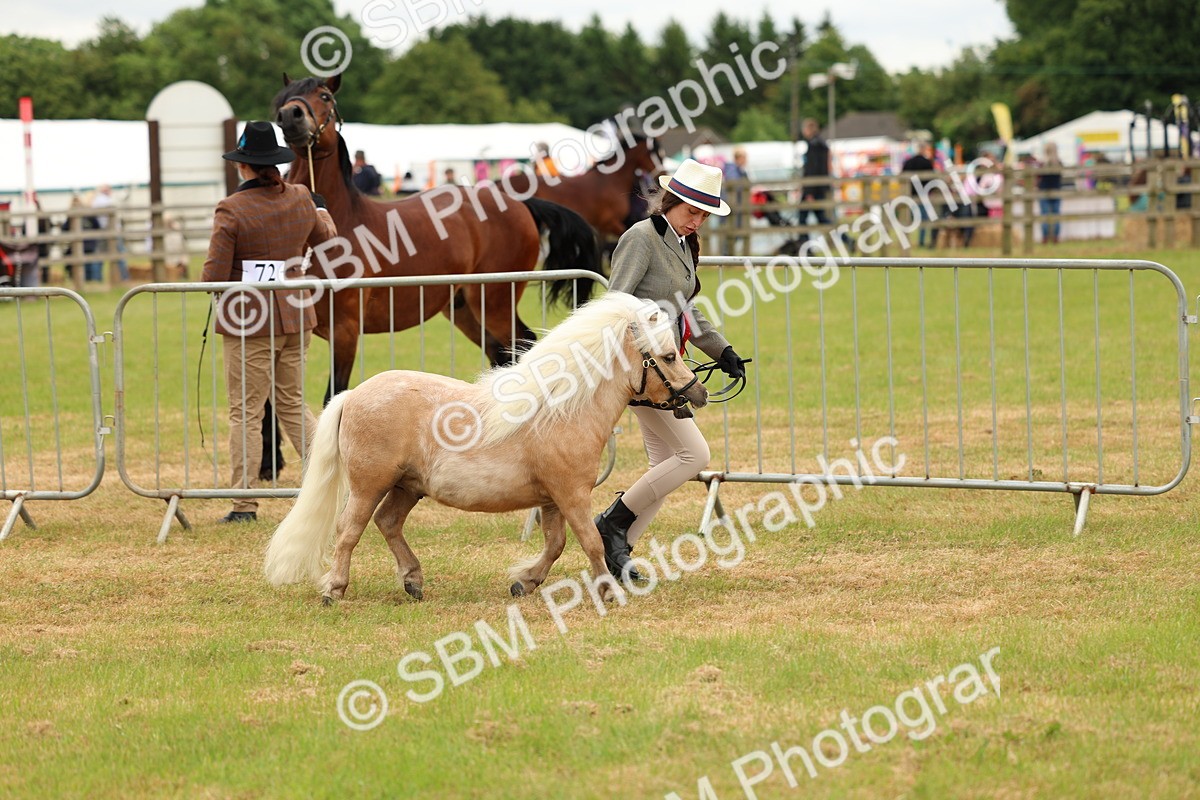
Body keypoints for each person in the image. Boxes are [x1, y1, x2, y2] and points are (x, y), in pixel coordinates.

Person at [596, 158, 748, 580]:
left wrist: (722, 351)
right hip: (645, 372)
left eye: (703, 215)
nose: (697, 221)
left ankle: (615, 560)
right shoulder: (640, 239)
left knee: (664, 466)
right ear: (670, 201)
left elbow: (686, 308)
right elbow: (615, 305)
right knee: (694, 454)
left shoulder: (681, 243)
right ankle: (610, 523)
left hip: (667, 367)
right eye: (692, 212)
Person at [201, 121, 338, 523]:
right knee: (294, 405)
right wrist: (320, 208)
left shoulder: (232, 208)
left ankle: (244, 503)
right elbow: (327, 240)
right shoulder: (299, 198)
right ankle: (333, 483)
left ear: (243, 166)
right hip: (296, 316)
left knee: (246, 411)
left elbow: (213, 277)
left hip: (248, 323)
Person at [901, 143, 936, 247]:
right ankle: (921, 241)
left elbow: (902, 177)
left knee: (907, 218)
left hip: (910, 194)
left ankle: (906, 242)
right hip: (923, 194)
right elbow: (932, 179)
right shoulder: (927, 163)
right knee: (923, 219)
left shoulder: (908, 162)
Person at [801, 118, 832, 226]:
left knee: (803, 217)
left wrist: (809, 192)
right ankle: (845, 239)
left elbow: (812, 170)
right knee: (821, 217)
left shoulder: (814, 145)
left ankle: (803, 241)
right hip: (818, 187)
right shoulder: (820, 144)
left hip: (813, 188)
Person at [1037, 143, 1063, 244]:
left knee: (1044, 216)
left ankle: (1045, 238)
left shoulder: (1042, 163)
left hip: (1044, 191)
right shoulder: (1059, 162)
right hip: (1056, 190)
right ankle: (1055, 238)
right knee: (1056, 215)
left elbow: (1039, 177)